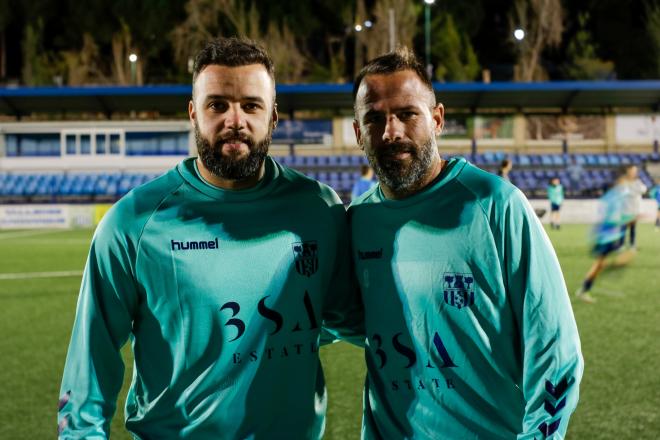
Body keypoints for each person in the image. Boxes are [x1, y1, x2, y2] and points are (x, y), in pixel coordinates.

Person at [58, 37, 362, 439]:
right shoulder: (134, 222)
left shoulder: (318, 209)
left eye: (251, 105)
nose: (234, 120)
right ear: (193, 113)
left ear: (273, 116)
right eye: (217, 104)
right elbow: (90, 365)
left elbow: (348, 314)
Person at [349, 47, 583, 439]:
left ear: (437, 120)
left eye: (407, 114)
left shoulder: (496, 205)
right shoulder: (357, 221)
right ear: (358, 133)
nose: (391, 132)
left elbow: (555, 350)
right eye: (374, 118)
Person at [575, 169, 633, 303]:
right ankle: (584, 289)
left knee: (603, 264)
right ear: (619, 181)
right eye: (625, 181)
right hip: (606, 236)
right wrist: (627, 219)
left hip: (609, 235)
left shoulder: (614, 196)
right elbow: (611, 218)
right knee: (607, 263)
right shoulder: (613, 197)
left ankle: (586, 287)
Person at [620, 164, 647, 248]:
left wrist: (634, 190)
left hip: (635, 209)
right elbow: (624, 193)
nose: (634, 172)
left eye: (635, 171)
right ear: (628, 171)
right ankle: (620, 245)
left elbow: (644, 190)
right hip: (625, 208)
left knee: (633, 228)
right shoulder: (623, 181)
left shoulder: (638, 181)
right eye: (632, 171)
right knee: (623, 228)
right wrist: (635, 191)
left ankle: (632, 244)